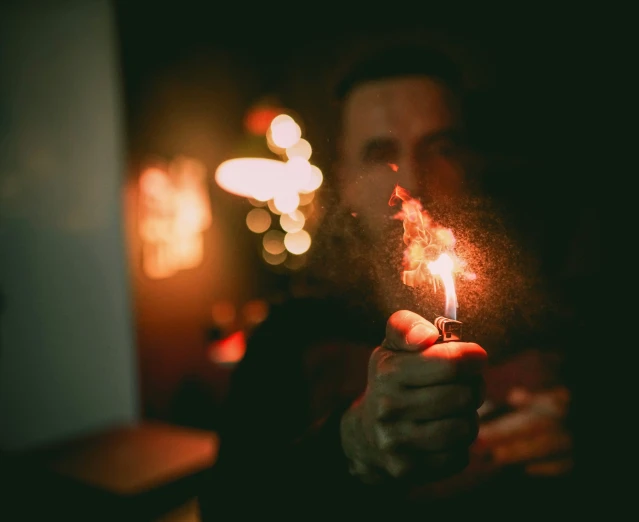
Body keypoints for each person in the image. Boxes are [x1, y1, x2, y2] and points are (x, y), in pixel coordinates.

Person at [198, 44, 580, 519]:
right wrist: (349, 447)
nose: (415, 182)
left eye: (441, 147)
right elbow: (228, 507)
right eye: (381, 154)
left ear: (471, 162)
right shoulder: (292, 334)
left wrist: (588, 442)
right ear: (344, 174)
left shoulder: (552, 311)